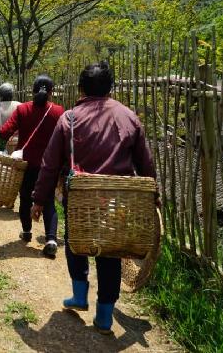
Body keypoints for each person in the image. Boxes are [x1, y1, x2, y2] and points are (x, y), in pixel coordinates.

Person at [31, 62, 156, 334]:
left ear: (80, 88)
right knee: (111, 251)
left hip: (80, 198)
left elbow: (50, 164)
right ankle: (105, 316)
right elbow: (145, 164)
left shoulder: (70, 119)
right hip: (118, 201)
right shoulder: (129, 116)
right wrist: (153, 196)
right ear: (110, 87)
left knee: (77, 242)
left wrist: (39, 199)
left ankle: (79, 296)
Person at [0, 76, 64, 258]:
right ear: (51, 92)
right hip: (49, 166)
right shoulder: (58, 111)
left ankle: (27, 232)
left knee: (25, 198)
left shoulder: (22, 109)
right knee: (48, 200)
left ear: (33, 91)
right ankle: (51, 240)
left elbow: (4, 133)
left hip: (27, 164)